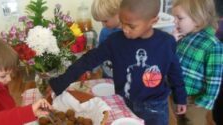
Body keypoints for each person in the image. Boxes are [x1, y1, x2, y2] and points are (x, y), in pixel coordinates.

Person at [49, 0, 187, 124]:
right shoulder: (115, 41)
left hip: (156, 107)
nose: (125, 29)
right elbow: (88, 60)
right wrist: (60, 82)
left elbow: (175, 71)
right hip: (124, 102)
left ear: (153, 21)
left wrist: (180, 97)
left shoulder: (166, 42)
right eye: (122, 22)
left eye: (131, 26)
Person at [0, 36, 52, 125]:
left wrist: (31, 111)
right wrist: (29, 112)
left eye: (10, 73)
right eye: (3, 76)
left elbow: (7, 112)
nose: (9, 79)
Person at [172, 0, 223, 125]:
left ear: (198, 20)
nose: (174, 21)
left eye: (179, 18)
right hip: (176, 95)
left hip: (195, 101)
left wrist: (205, 102)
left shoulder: (214, 45)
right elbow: (171, 61)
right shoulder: (183, 36)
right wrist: (171, 42)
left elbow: (214, 79)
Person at [91, 0, 122, 78]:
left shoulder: (130, 33)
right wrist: (93, 68)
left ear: (119, 13)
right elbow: (99, 52)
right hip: (106, 76)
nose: (103, 25)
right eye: (101, 21)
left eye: (105, 21)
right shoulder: (105, 32)